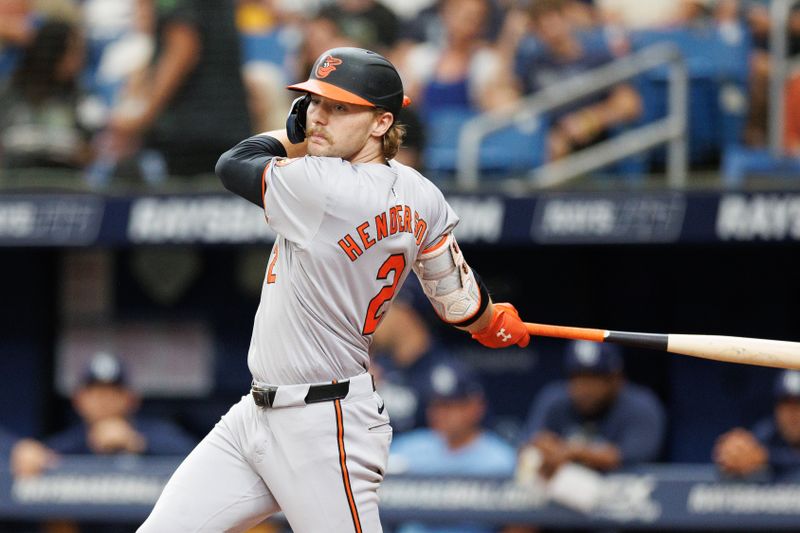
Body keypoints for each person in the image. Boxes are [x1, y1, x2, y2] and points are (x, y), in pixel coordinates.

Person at [139, 46, 530, 532]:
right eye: (314, 102)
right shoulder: (421, 192)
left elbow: (234, 161)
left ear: (382, 123)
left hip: (326, 424)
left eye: (339, 108)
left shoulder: (321, 184)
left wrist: (293, 134)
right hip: (256, 417)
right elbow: (459, 303)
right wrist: (492, 320)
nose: (317, 117)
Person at [10, 351, 196, 477]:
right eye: (95, 392)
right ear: (78, 399)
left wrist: (136, 443)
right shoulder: (71, 442)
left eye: (113, 391)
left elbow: (198, 459)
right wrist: (30, 453)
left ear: (132, 398)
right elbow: (43, 455)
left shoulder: (157, 434)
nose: (104, 400)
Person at [390, 361, 517, 533]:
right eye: (436, 405)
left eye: (451, 405)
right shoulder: (407, 448)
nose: (441, 414)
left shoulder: (501, 459)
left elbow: (523, 520)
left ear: (476, 407)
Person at [518, 340, 665, 479]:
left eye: (595, 378)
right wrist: (540, 446)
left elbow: (631, 457)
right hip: (563, 492)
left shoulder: (640, 406)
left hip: (627, 496)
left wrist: (574, 452)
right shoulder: (554, 400)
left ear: (616, 379)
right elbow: (528, 444)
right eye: (577, 378)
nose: (584, 389)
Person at [370, 280, 460, 433]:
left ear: (405, 310)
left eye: (377, 309)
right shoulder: (374, 367)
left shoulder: (449, 373)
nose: (367, 319)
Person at [714, 369, 800, 481]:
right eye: (786, 405)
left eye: (798, 404)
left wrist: (766, 459)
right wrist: (735, 454)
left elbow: (763, 457)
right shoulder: (769, 431)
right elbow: (748, 452)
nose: (793, 415)